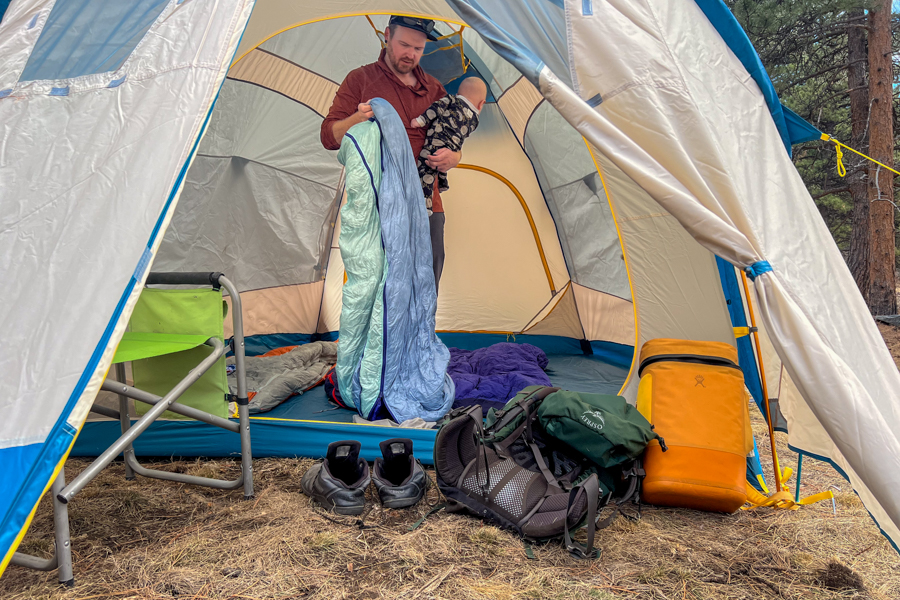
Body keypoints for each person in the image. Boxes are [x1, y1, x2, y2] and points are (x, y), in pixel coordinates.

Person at [320, 15, 461, 296]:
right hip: (376, 205)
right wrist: (356, 119)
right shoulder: (359, 79)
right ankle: (377, 342)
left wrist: (453, 157)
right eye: (404, 44)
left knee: (425, 289)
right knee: (376, 289)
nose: (410, 54)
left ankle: (420, 341)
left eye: (418, 49)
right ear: (387, 36)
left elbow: (453, 143)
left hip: (427, 205)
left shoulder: (435, 89)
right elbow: (328, 137)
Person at [410, 77, 486, 214]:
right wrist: (455, 154)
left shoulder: (451, 100)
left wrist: (420, 121)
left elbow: (435, 109)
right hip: (449, 148)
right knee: (438, 168)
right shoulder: (475, 122)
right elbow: (461, 139)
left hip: (433, 143)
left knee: (425, 172)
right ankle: (442, 183)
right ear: (482, 104)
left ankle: (425, 207)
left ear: (458, 93)